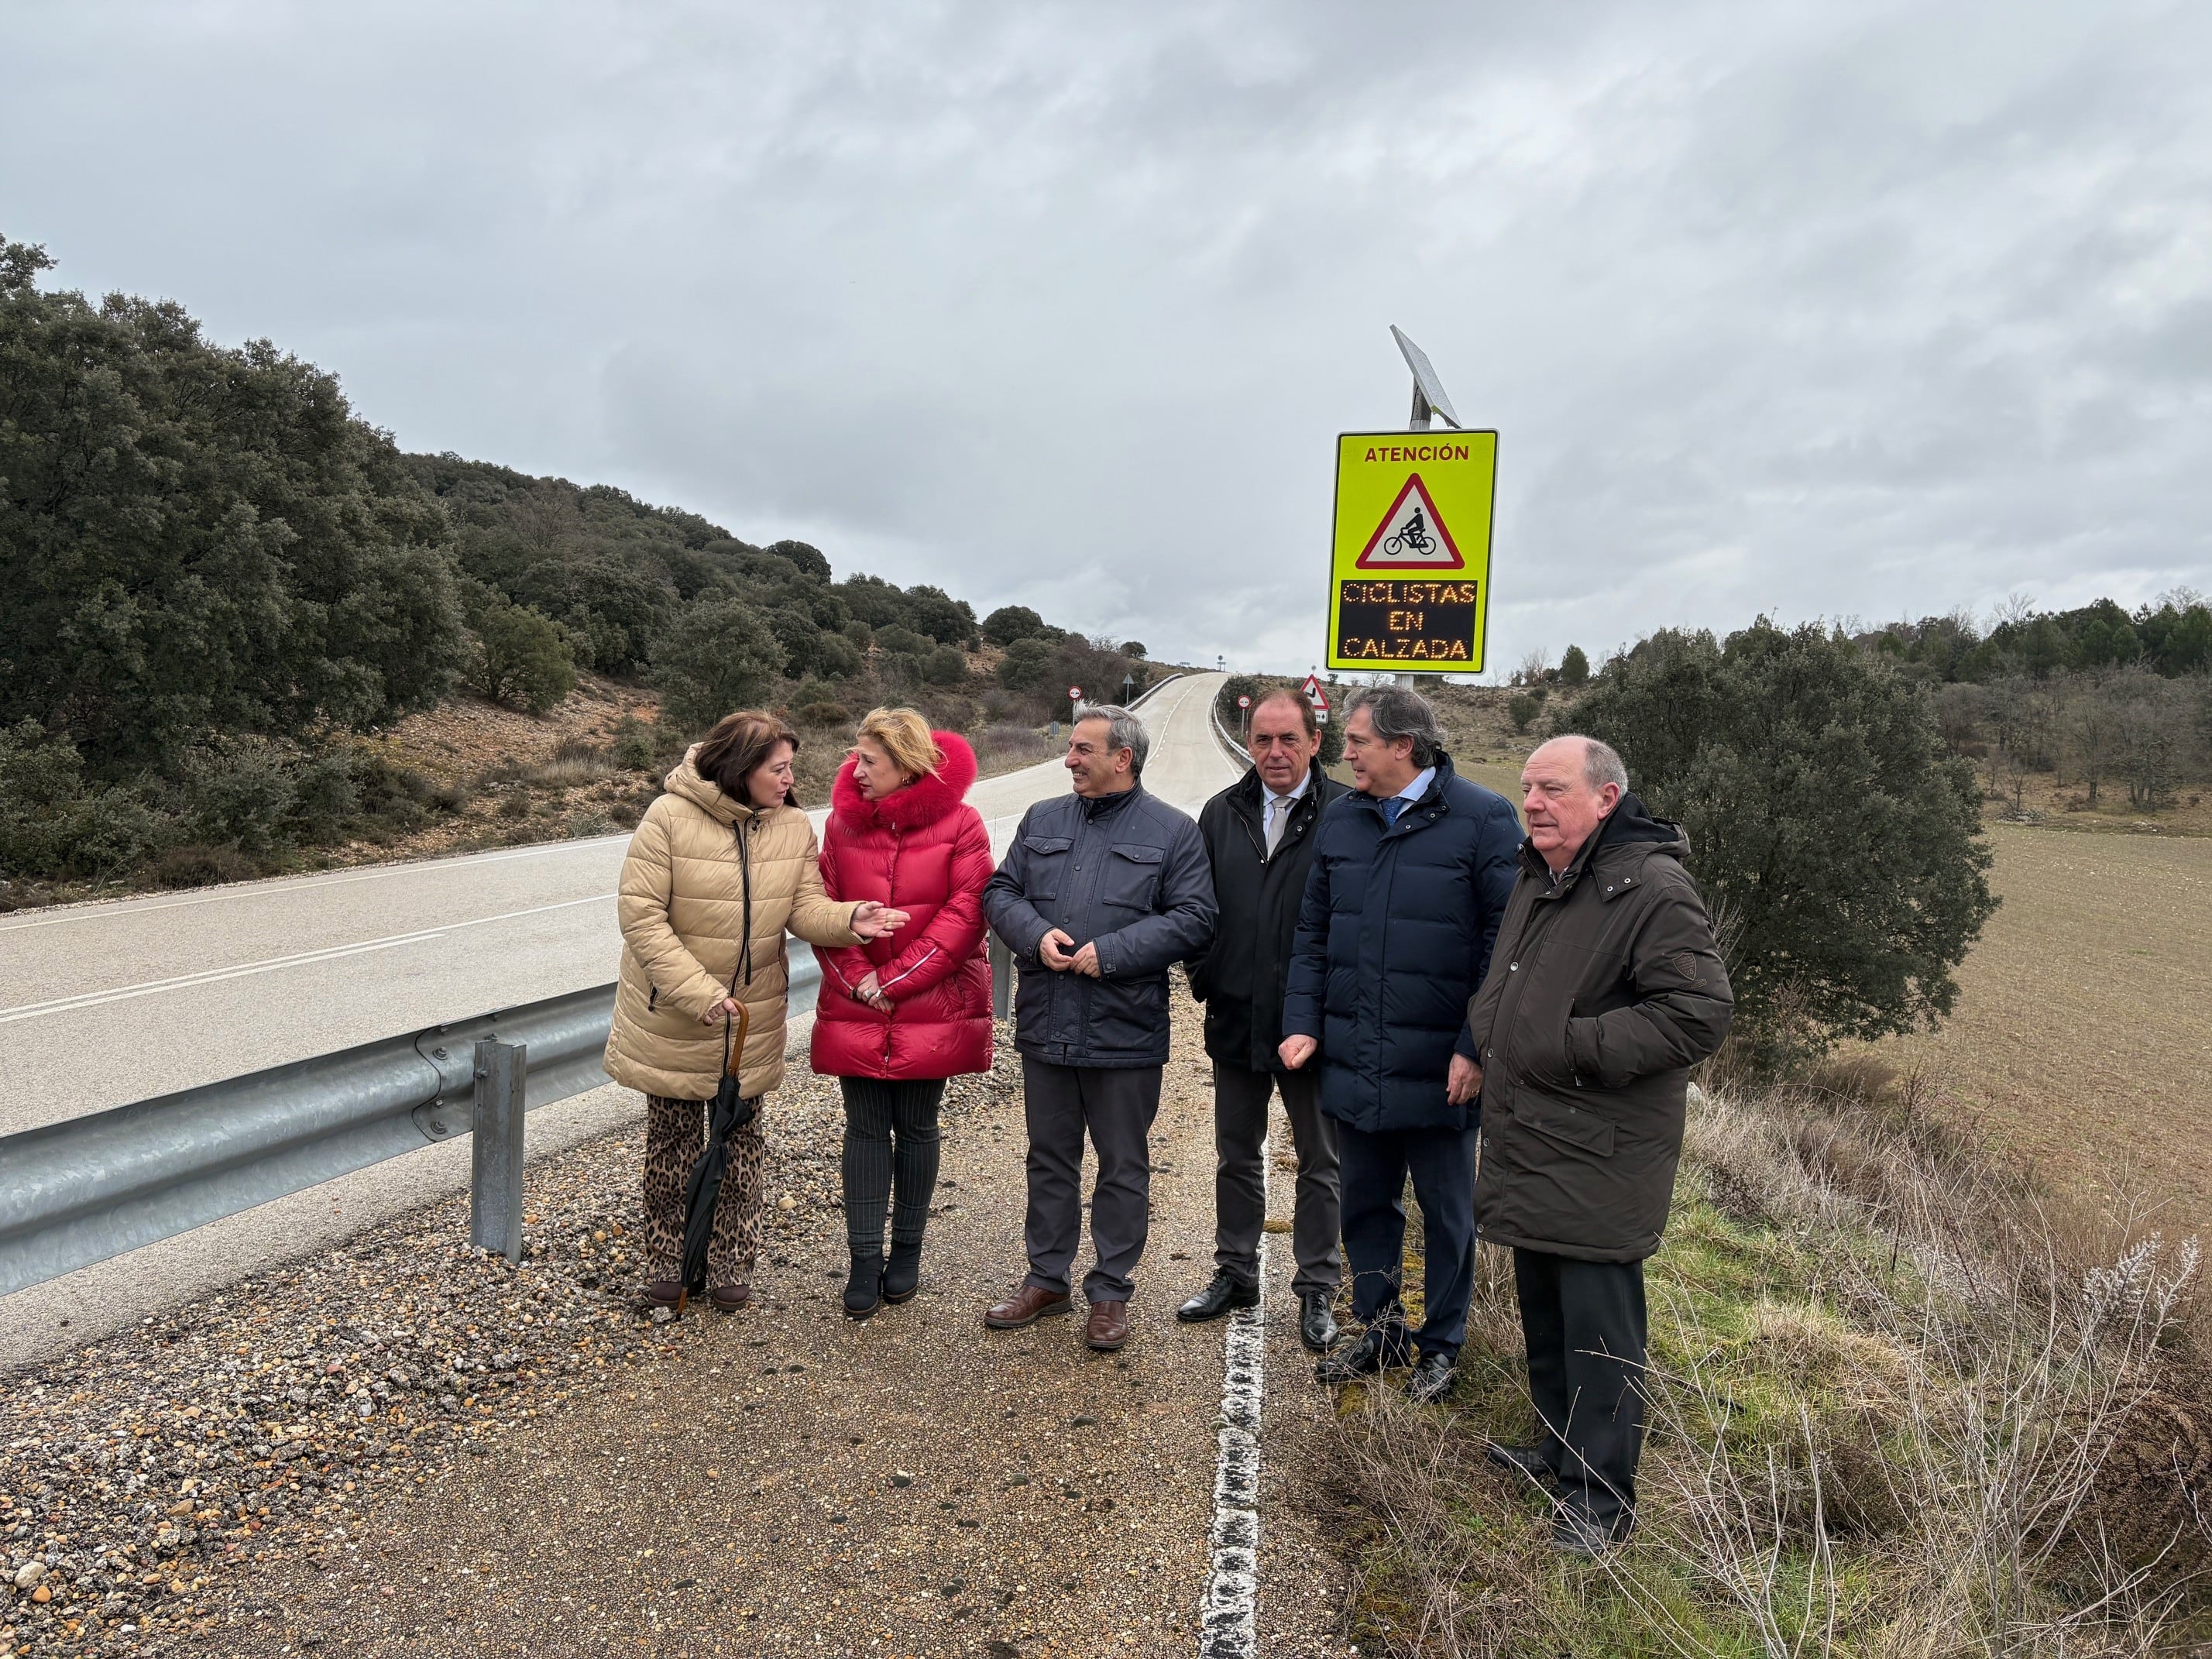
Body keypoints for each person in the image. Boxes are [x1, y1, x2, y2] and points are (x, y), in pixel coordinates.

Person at [1465, 735, 1732, 1555]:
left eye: (1552, 789)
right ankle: (1559, 1451)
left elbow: (1697, 1014)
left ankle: (1603, 1500)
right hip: (1540, 1135)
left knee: (1600, 1329)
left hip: (1599, 1148)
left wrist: (1569, 1044)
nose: (1533, 803)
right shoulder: (1545, 873)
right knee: (1546, 1309)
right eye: (1527, 789)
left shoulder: (1650, 887)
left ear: (1606, 798)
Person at [604, 711, 907, 1314]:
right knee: (672, 1145)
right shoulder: (667, 817)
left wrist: (849, 918)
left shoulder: (793, 826)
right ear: (742, 770)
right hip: (676, 1013)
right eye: (779, 767)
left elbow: (802, 907)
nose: (791, 779)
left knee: (742, 1143)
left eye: (790, 766)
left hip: (750, 1020)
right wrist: (697, 991)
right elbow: (641, 917)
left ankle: (729, 1266)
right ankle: (668, 1263)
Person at [1280, 685, 1520, 1403]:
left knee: (1447, 1215)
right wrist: (1302, 1020)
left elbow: (1502, 948)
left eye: (1355, 742)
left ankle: (1442, 1345)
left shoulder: (1483, 818)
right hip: (1356, 1057)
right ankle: (1381, 1331)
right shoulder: (1345, 820)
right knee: (1364, 1204)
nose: (1342, 752)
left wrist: (1474, 1045)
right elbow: (1313, 934)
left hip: (1443, 1066)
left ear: (1402, 746)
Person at [981, 705, 1215, 1352]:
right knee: (1049, 1159)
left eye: (1083, 749)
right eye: (1072, 748)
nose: (1070, 759)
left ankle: (1110, 1291)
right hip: (1048, 1020)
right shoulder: (1042, 819)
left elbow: (1195, 917)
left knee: (1122, 1165)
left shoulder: (1172, 832)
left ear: (1123, 758)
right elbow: (1001, 892)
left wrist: (1111, 952)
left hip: (1125, 1030)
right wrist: (1034, 933)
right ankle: (1045, 1279)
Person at [812, 707, 994, 1321]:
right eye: (856, 757)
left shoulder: (962, 823)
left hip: (930, 1002)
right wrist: (862, 981)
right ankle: (865, 1259)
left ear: (906, 765)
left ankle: (907, 1253)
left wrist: (895, 981)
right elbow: (822, 911)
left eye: (869, 761)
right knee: (864, 1128)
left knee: (917, 1126)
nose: (855, 770)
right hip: (859, 1000)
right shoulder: (840, 827)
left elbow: (966, 914)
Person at [1180, 690, 1350, 1351]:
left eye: (1288, 740)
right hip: (1237, 1016)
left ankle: (1316, 1290)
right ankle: (1236, 1272)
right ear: (1248, 743)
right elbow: (1194, 908)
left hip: (1317, 1025)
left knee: (1321, 1160)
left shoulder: (1347, 814)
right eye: (1262, 740)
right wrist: (1206, 977)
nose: (1275, 753)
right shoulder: (1221, 814)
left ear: (1314, 742)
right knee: (1235, 1155)